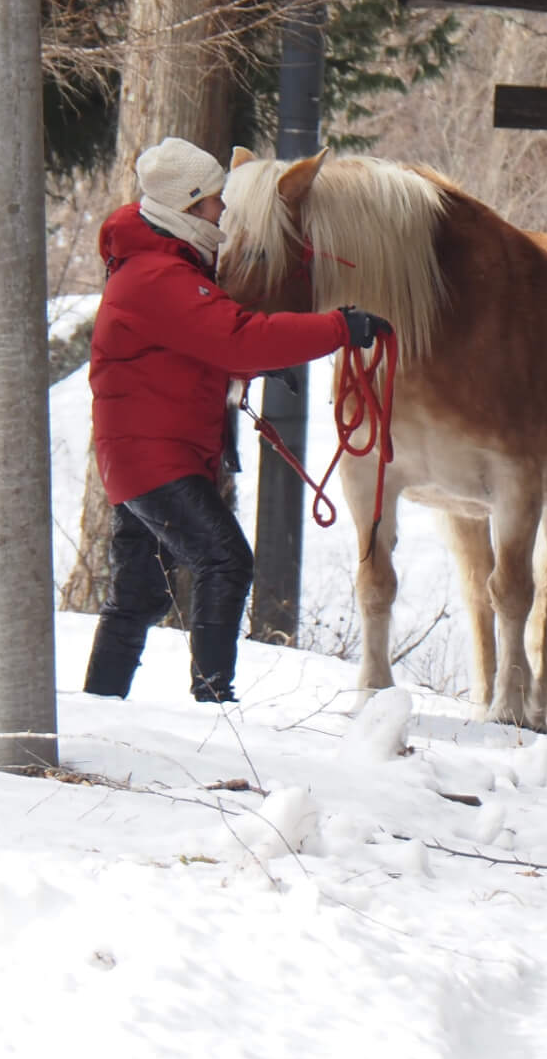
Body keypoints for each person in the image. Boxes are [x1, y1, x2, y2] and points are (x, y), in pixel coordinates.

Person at [83, 137, 392, 704]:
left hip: (143, 455)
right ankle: (213, 704)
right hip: (155, 459)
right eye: (214, 199)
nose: (223, 209)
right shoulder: (159, 275)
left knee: (139, 593)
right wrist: (340, 328)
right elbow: (236, 336)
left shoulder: (164, 266)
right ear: (188, 205)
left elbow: (200, 346)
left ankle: (100, 706)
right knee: (225, 561)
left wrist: (264, 366)